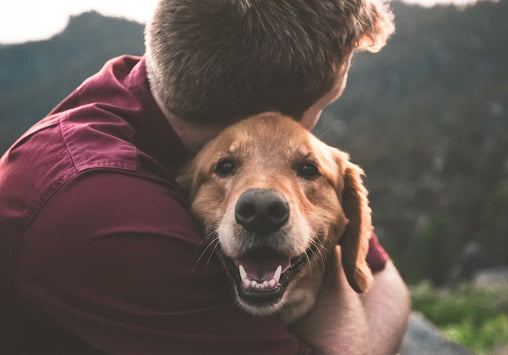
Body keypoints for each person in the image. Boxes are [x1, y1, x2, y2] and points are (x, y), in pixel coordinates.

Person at [0, 0, 410, 353]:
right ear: (267, 113)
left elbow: (385, 279)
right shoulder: (101, 207)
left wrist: (326, 240)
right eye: (325, 103)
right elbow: (378, 299)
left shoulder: (156, 90)